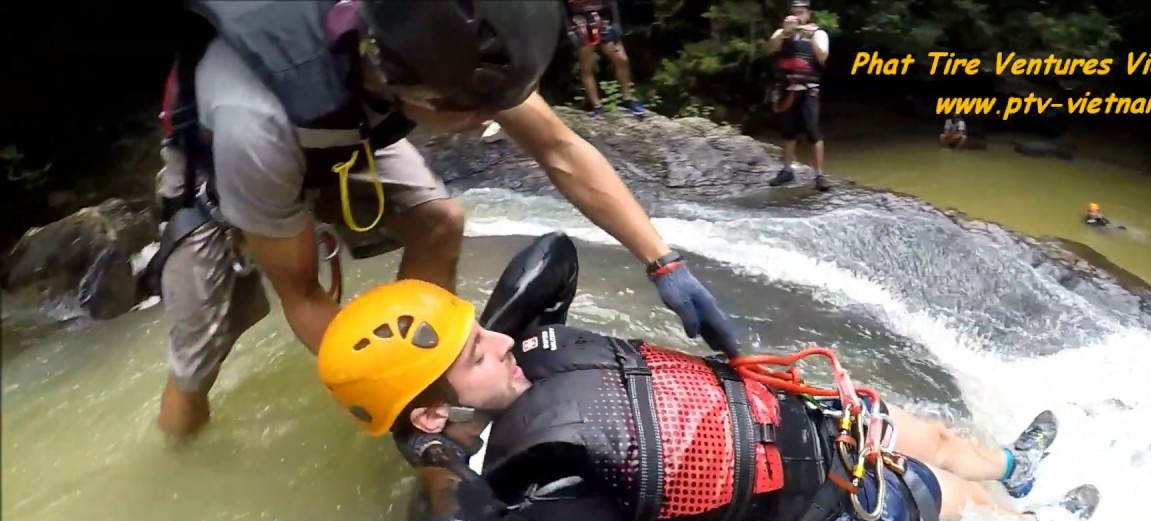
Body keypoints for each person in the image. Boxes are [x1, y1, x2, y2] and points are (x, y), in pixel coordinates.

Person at [316, 232, 1100, 521]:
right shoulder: (532, 495)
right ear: (429, 410)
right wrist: (434, 457)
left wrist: (476, 364)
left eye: (478, 328)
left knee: (941, 439)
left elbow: (554, 256)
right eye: (474, 354)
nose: (499, 340)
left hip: (795, 410)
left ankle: (1015, 467)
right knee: (948, 496)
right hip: (815, 492)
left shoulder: (516, 363)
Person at [145, 0, 734, 443]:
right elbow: (300, 295)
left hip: (346, 124)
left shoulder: (447, 49)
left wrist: (664, 262)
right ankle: (175, 455)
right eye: (473, 112)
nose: (490, 122)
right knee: (197, 364)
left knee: (439, 221)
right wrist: (422, 406)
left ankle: (435, 352)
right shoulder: (258, 124)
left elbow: (560, 150)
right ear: (410, 86)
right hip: (226, 165)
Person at [765, 0, 831, 192]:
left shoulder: (818, 34)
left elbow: (822, 58)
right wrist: (786, 32)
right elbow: (771, 48)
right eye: (794, 12)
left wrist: (808, 37)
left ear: (808, 14)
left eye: (801, 12)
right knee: (788, 130)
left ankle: (819, 175)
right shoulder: (782, 33)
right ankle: (787, 170)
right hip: (787, 88)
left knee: (812, 129)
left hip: (809, 88)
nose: (798, 16)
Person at [563, 0, 646, 119]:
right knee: (587, 66)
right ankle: (597, 106)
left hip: (603, 18)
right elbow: (563, 8)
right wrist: (569, 31)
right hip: (580, 21)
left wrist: (616, 22)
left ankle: (628, 99)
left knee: (621, 59)